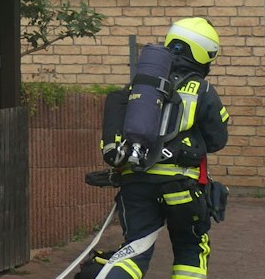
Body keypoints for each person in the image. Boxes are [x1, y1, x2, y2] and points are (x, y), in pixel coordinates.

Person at [82, 17, 230, 279]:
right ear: (202, 53)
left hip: (135, 183)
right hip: (181, 186)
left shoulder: (140, 88)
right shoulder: (202, 89)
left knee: (134, 251)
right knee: (191, 248)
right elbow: (217, 140)